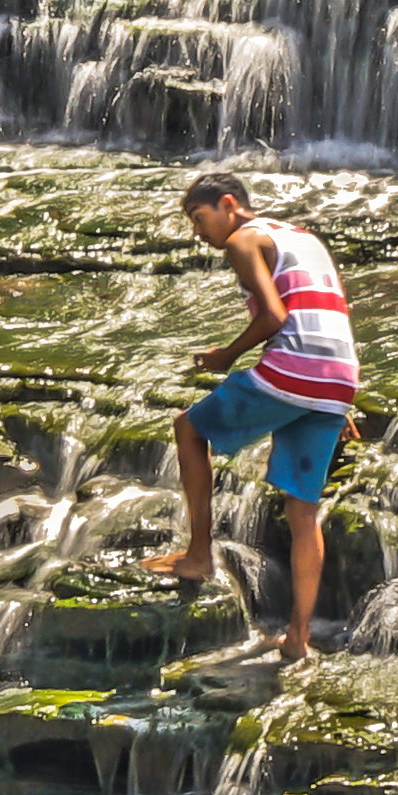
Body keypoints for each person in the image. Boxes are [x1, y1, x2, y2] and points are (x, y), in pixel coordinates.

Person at [147, 171, 360, 657]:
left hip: (294, 369)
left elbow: (275, 316)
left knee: (188, 428)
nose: (198, 232)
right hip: (338, 377)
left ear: (229, 204)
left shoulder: (243, 240)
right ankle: (298, 638)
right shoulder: (304, 238)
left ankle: (198, 556)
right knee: (303, 512)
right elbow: (327, 314)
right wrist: (337, 400)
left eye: (199, 218)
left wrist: (226, 355)